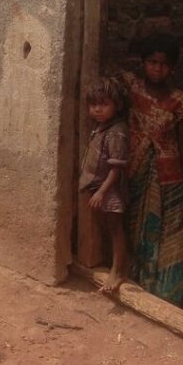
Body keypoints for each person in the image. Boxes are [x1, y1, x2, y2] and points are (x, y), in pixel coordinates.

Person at [122, 33, 183, 305]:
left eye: (163, 64)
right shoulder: (132, 90)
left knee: (170, 230)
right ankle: (139, 280)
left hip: (170, 173)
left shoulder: (180, 101)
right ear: (143, 63)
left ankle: (166, 290)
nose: (157, 68)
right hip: (136, 170)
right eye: (152, 62)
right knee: (137, 227)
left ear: (172, 67)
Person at [79, 75, 131, 294]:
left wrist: (102, 191)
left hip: (109, 190)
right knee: (108, 227)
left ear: (116, 106)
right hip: (100, 188)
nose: (97, 109)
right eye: (93, 105)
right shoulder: (102, 127)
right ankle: (114, 266)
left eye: (103, 104)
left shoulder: (117, 132)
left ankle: (118, 272)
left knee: (115, 229)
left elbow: (116, 168)